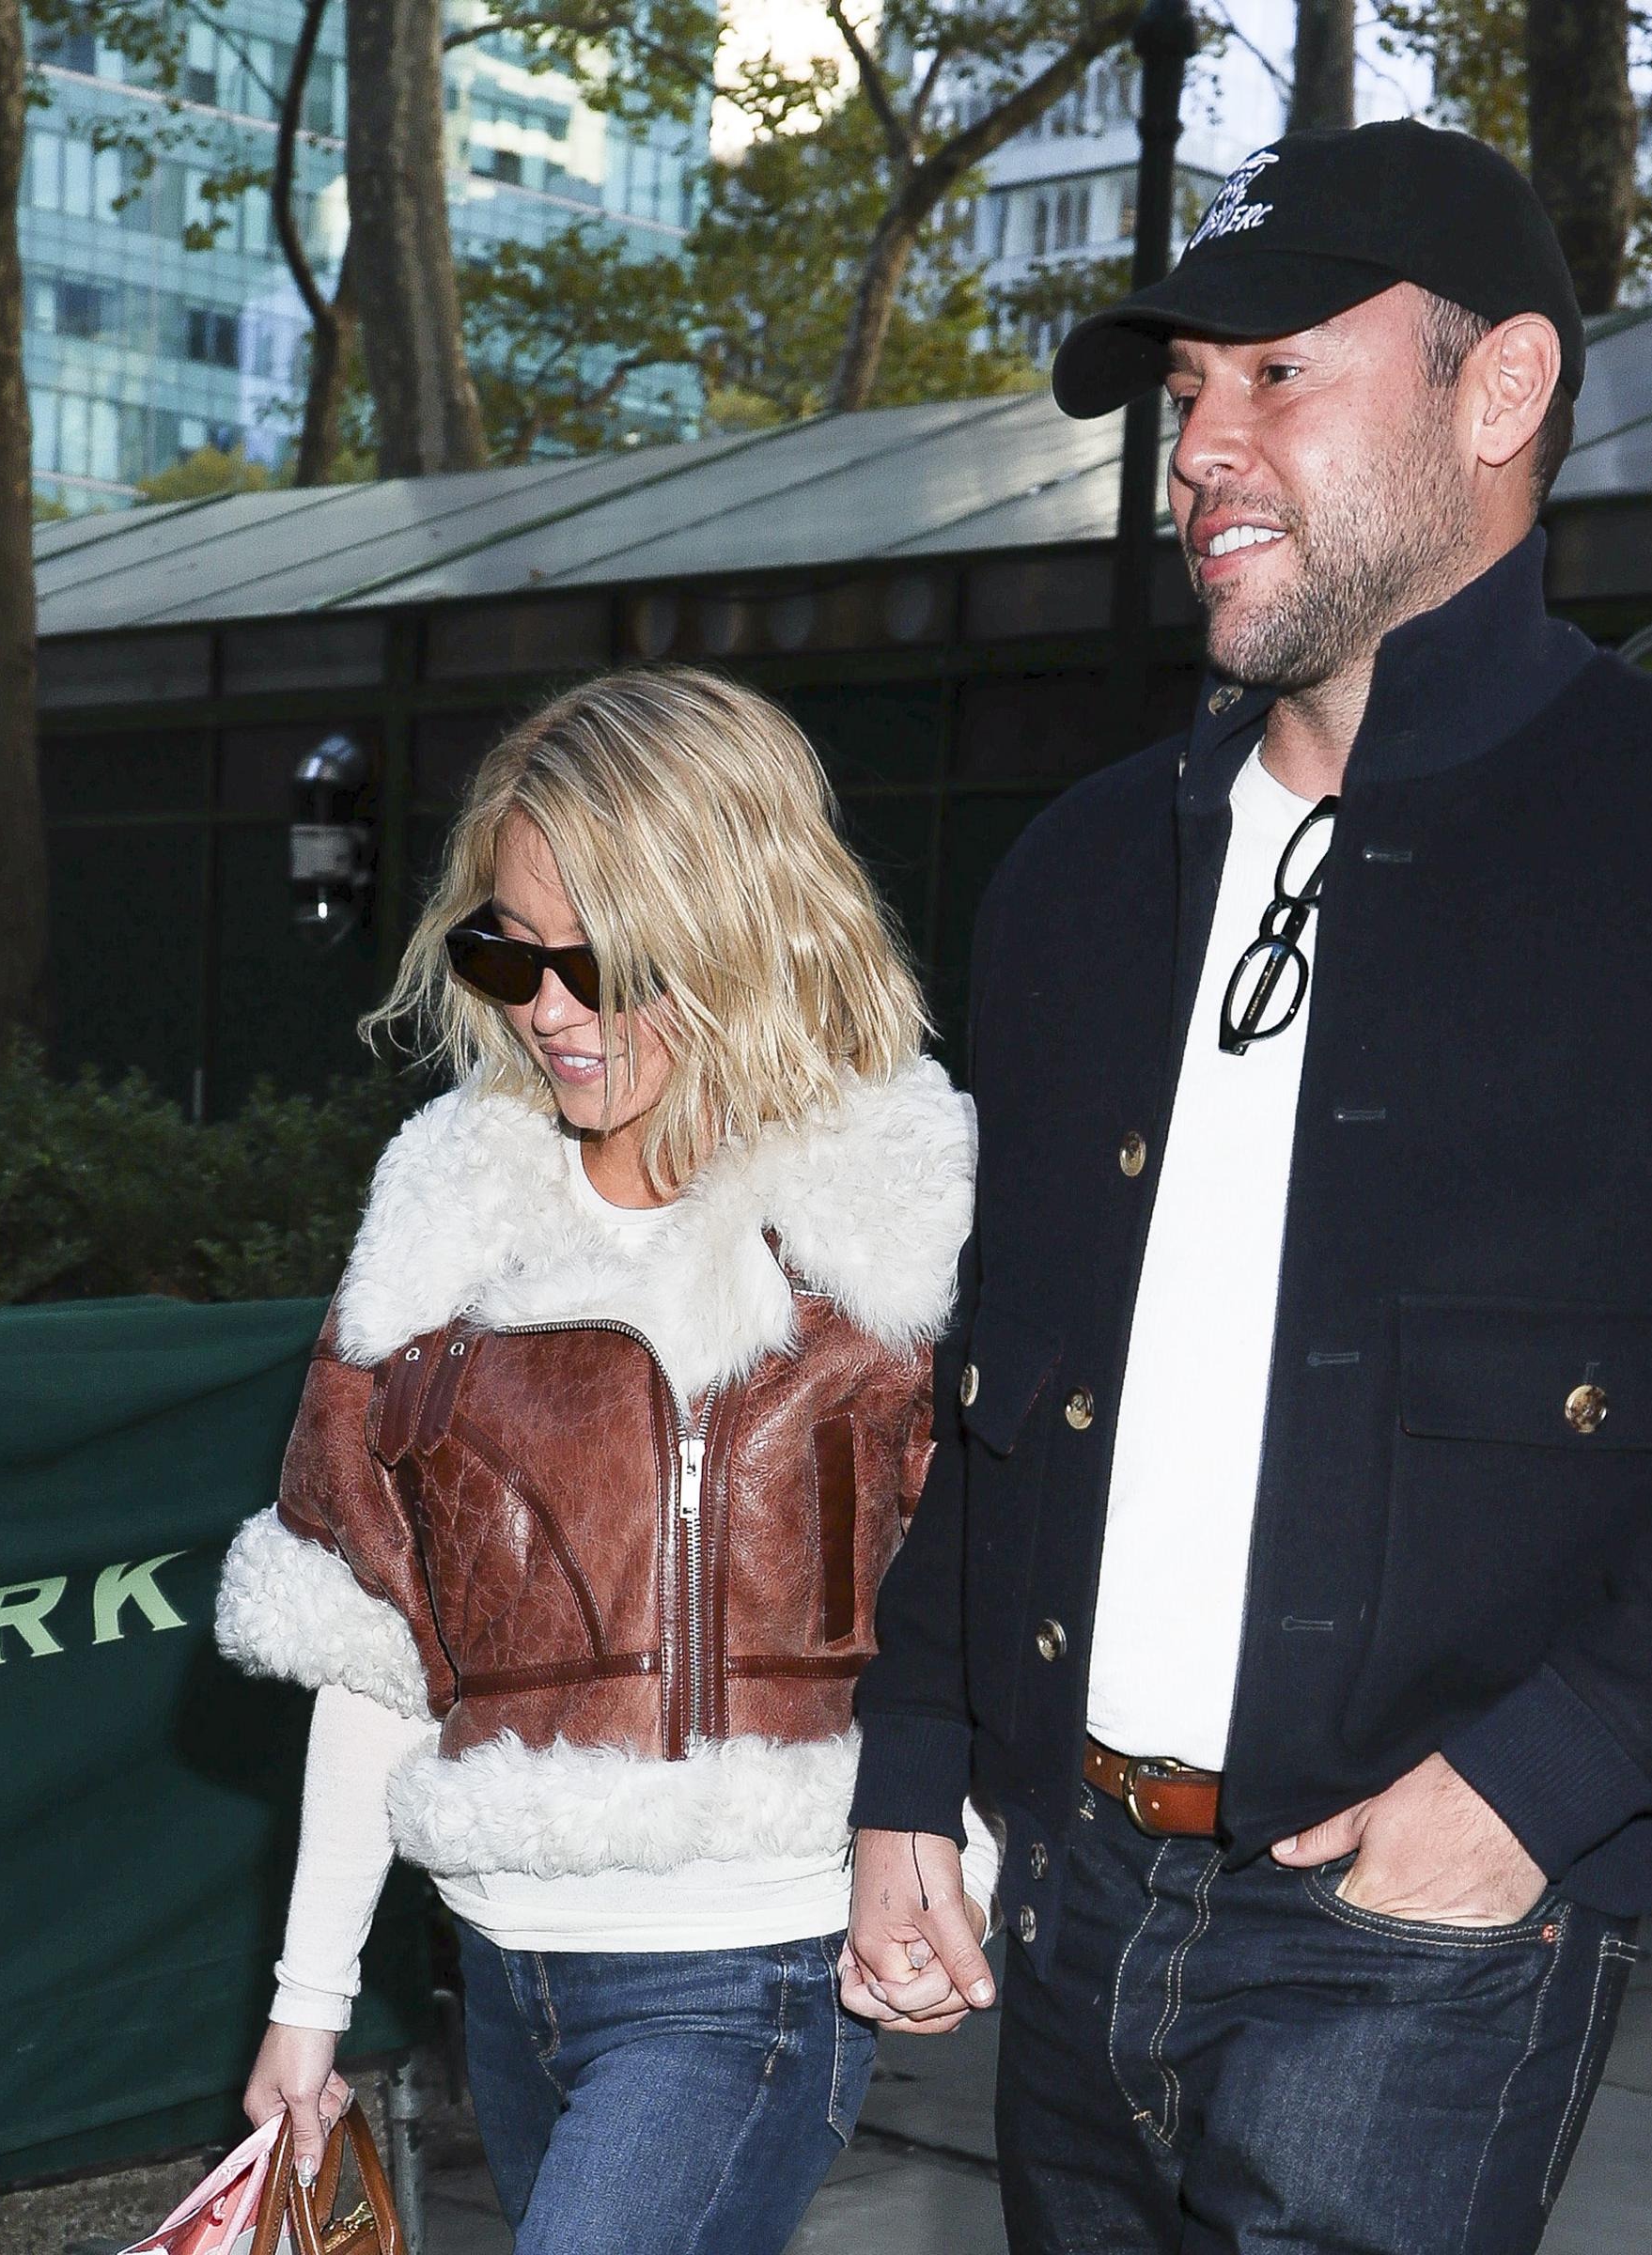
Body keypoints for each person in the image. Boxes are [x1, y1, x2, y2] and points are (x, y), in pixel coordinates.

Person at [844, 120, 1652, 2253]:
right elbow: (1002, 1386)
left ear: (1504, 390)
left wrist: (1534, 1793)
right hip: (1076, 1898)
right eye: (1187, 395)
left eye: (1280, 375)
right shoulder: (1084, 874)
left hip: (1422, 1934)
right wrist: (921, 1759)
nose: (1201, 448)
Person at [215, 667, 994, 2254]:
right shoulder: (447, 1205)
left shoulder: (893, 1213)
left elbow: (1003, 1573)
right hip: (502, 1966)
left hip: (757, 1958)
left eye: (606, 962)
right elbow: (377, 1642)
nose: (548, 1009)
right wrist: (311, 2000)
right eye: (507, 951)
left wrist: (964, 1866)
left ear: (739, 930)